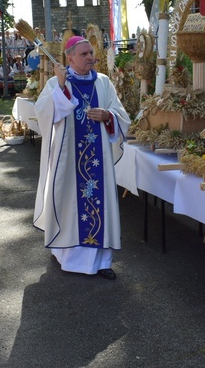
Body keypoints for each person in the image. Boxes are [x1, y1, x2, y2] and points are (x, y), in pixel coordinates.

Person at [33, 36, 130, 279]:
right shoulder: (57, 82)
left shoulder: (103, 82)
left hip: (99, 162)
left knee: (100, 204)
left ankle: (102, 262)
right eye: (84, 54)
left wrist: (108, 115)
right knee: (69, 205)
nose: (91, 58)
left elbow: (120, 114)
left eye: (91, 53)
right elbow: (44, 113)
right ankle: (68, 257)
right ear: (70, 58)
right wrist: (63, 87)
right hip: (68, 160)